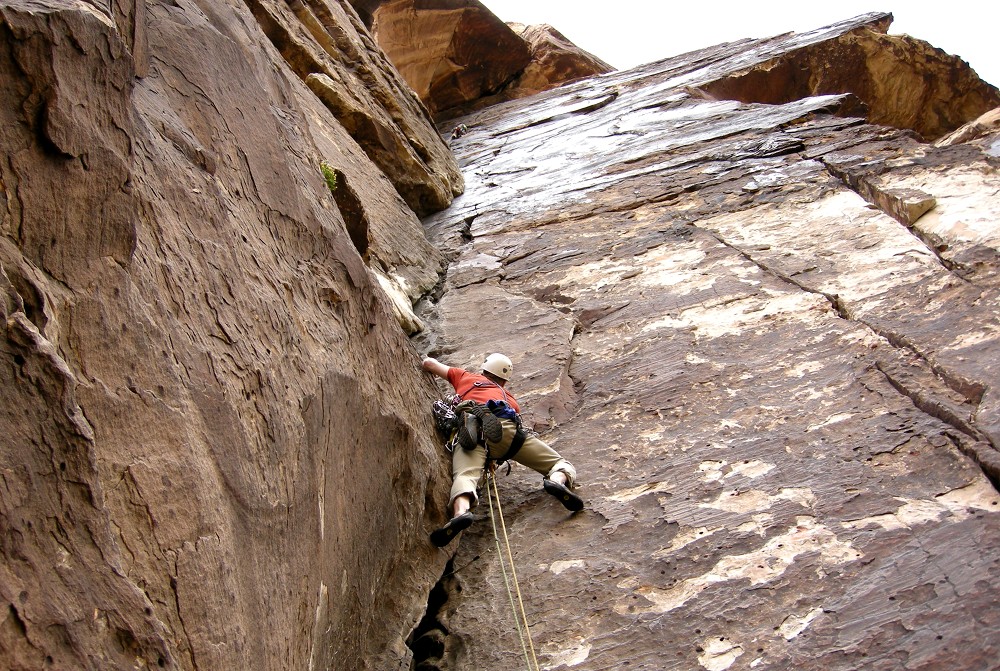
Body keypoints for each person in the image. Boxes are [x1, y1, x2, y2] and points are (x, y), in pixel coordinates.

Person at [422, 353, 583, 547]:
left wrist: (423, 358)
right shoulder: (511, 400)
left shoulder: (468, 377)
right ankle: (557, 481)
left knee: (465, 476)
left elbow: (430, 364)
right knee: (558, 463)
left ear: (485, 369)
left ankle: (461, 513)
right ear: (505, 381)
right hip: (510, 433)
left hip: (473, 433)